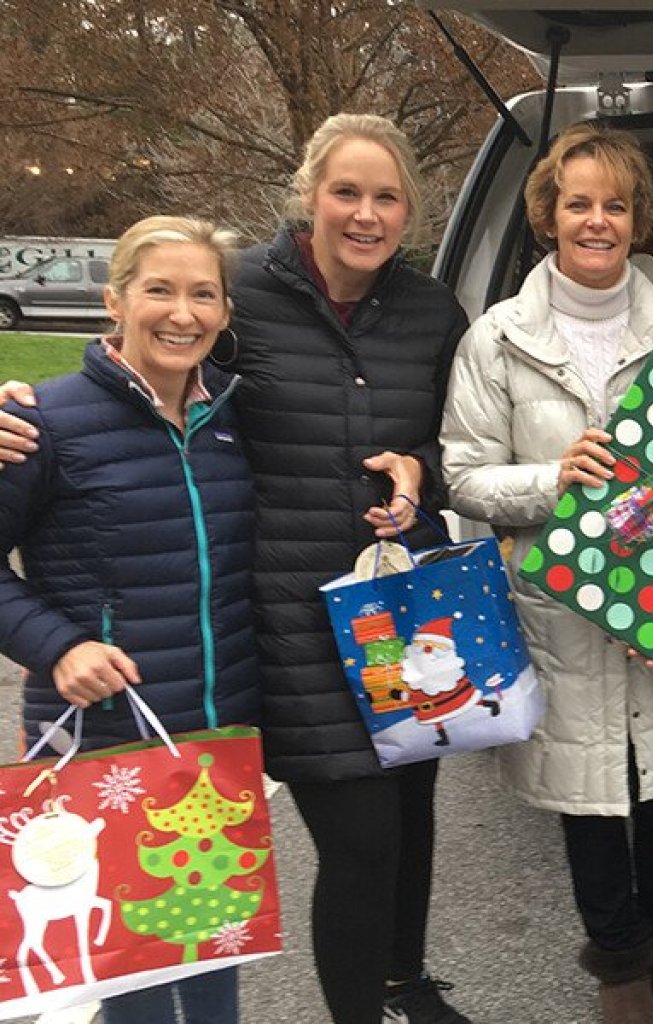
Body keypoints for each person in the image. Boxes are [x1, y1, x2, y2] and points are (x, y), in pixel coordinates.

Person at [0, 113, 471, 1024]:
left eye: (385, 196)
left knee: (366, 841)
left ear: (410, 208)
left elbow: (457, 439)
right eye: (346, 191)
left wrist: (425, 472)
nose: (364, 214)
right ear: (308, 195)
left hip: (377, 621)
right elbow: (133, 387)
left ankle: (398, 981)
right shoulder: (242, 294)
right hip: (258, 634)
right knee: (342, 844)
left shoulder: (429, 312)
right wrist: (28, 407)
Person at [440, 121, 653, 1024]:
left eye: (615, 204)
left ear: (639, 218)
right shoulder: (497, 340)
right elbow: (463, 473)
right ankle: (618, 964)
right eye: (579, 203)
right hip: (557, 607)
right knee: (590, 792)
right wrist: (553, 481)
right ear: (548, 216)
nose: (597, 220)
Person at [0, 215, 258, 1024]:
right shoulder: (42, 422)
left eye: (202, 294)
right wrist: (57, 645)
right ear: (115, 300)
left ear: (223, 313)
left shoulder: (233, 421)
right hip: (104, 740)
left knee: (218, 952)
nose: (182, 313)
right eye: (160, 290)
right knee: (129, 970)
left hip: (212, 745)